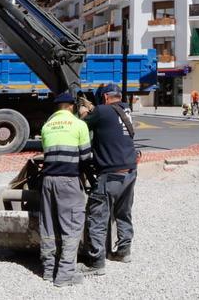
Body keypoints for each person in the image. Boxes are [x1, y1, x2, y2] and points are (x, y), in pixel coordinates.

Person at [79, 84, 137, 275]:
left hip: (110, 174)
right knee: (123, 212)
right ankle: (123, 252)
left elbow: (82, 125)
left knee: (97, 216)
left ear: (104, 98)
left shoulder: (102, 111)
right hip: (129, 171)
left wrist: (83, 112)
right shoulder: (126, 109)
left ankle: (96, 262)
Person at [39, 91, 93, 287]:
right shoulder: (79, 125)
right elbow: (86, 158)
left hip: (47, 181)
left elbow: (47, 153)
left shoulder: (47, 126)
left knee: (49, 225)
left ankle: (47, 270)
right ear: (72, 106)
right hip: (68, 181)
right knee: (71, 225)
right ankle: (64, 275)